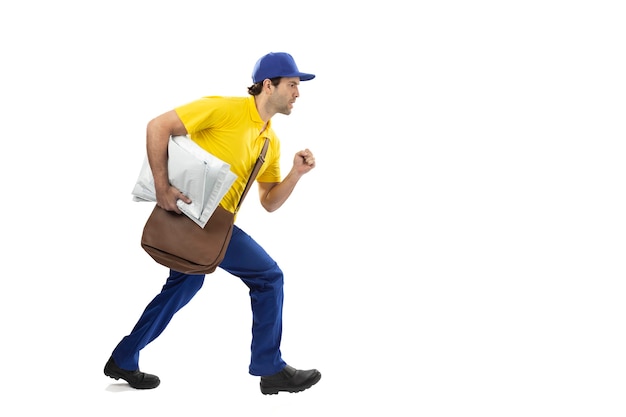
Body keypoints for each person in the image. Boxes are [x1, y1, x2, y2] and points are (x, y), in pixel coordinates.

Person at [104, 52, 321, 395]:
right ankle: (269, 367)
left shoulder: (270, 140)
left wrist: (296, 174)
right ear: (269, 85)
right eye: (292, 84)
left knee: (184, 286)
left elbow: (269, 203)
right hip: (198, 218)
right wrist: (162, 188)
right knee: (268, 277)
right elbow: (157, 126)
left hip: (216, 226)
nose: (298, 93)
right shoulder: (226, 109)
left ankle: (124, 357)